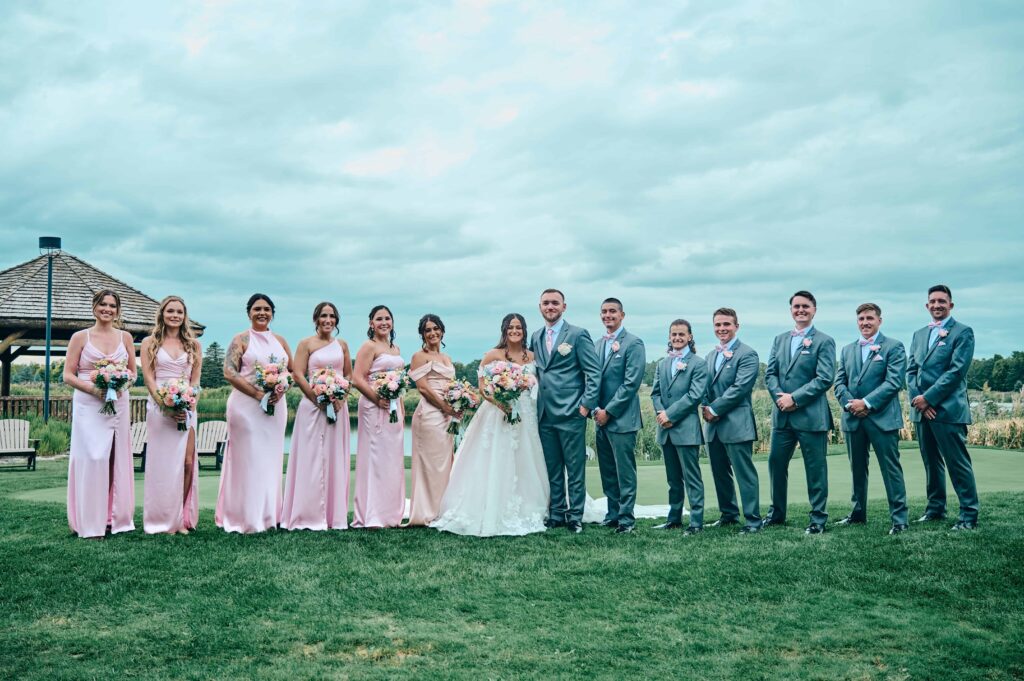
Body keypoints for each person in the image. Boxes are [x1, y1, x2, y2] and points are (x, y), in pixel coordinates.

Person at [431, 314, 549, 536]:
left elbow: (537, 386)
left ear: (524, 330)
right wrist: (501, 402)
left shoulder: (532, 356)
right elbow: (484, 388)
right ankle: (487, 506)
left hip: (525, 415)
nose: (515, 331)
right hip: (496, 414)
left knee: (526, 459)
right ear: (504, 330)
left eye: (519, 327)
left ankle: (530, 506)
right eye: (510, 327)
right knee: (494, 457)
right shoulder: (492, 355)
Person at [216, 293, 293, 534]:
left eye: (267, 309)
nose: (262, 313)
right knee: (248, 460)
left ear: (272, 313)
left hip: (275, 408)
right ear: (249, 312)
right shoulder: (240, 339)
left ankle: (270, 515)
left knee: (270, 459)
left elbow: (291, 370)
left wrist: (281, 387)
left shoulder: (280, 340)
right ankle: (245, 516)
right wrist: (258, 394)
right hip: (246, 408)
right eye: (257, 309)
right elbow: (229, 372)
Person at [64, 289, 137, 539]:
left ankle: (112, 517)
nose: (107, 309)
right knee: (93, 458)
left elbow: (133, 373)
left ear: (118, 310)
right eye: (103, 304)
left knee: (116, 459)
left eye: (112, 305)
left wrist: (118, 387)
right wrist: (95, 390)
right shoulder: (80, 337)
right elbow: (68, 375)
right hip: (88, 403)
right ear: (94, 307)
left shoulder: (125, 337)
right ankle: (88, 520)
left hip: (118, 403)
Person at [763, 291, 836, 534]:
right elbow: (770, 374)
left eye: (805, 306)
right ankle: (776, 514)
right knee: (775, 463)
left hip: (811, 416)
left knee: (815, 468)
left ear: (814, 310)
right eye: (796, 306)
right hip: (782, 416)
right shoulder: (779, 339)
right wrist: (781, 399)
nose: (800, 310)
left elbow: (825, 378)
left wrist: (795, 398)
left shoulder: (824, 341)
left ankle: (818, 518)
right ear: (791, 310)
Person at [529, 289, 601, 534]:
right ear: (540, 307)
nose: (550, 307)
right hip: (545, 414)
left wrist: (585, 406)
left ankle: (575, 515)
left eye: (554, 303)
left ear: (564, 306)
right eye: (546, 303)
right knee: (553, 467)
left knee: (574, 468)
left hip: (572, 412)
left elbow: (594, 372)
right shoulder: (536, 336)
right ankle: (557, 513)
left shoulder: (578, 335)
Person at [833, 303, 910, 534]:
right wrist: (850, 404)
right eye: (861, 319)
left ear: (879, 320)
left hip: (882, 418)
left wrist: (866, 403)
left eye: (869, 318)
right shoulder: (847, 350)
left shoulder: (894, 347)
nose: (865, 322)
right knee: (857, 468)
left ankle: (899, 519)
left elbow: (893, 382)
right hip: (853, 419)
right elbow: (839, 383)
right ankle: (857, 514)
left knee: (891, 468)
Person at [906, 285, 978, 530]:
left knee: (957, 463)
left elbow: (956, 371)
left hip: (947, 410)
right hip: (922, 411)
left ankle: (969, 514)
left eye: (942, 301)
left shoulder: (963, 332)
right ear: (927, 306)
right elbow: (911, 371)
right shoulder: (918, 334)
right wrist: (919, 401)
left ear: (951, 305)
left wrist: (930, 399)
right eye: (932, 302)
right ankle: (935, 509)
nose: (937, 305)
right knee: (931, 462)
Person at [281, 302, 352, 531]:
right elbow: (298, 374)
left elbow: (348, 374)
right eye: (324, 316)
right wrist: (316, 398)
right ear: (316, 319)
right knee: (310, 458)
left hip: (338, 407)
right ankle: (306, 513)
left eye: (332, 316)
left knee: (334, 457)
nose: (328, 320)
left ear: (336, 320)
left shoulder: (342, 345)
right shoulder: (305, 344)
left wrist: (341, 396)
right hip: (312, 407)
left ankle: (334, 516)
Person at [140, 295, 202, 535]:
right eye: (170, 311)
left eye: (179, 312)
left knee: (187, 463)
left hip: (187, 408)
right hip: (160, 408)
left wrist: (189, 402)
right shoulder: (149, 342)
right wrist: (165, 405)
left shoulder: (193, 345)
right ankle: (162, 519)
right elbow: (148, 378)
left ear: (184, 316)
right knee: (163, 465)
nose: (175, 315)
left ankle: (181, 517)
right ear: (162, 314)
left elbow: (195, 380)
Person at [702, 308, 762, 534]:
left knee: (744, 473)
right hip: (713, 426)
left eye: (726, 324)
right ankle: (728, 514)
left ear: (737, 326)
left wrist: (715, 408)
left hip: (737, 424)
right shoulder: (710, 356)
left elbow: (740, 388)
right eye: (717, 325)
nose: (722, 329)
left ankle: (754, 520)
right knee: (720, 472)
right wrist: (704, 407)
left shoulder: (747, 354)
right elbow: (704, 387)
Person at [593, 298, 646, 534]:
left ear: (622, 315)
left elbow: (631, 383)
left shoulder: (633, 343)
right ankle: (612, 513)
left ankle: (626, 518)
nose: (608, 315)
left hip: (622, 419)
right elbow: (592, 381)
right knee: (607, 471)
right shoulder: (596, 345)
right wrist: (595, 409)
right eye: (604, 312)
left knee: (625, 471)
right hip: (599, 418)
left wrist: (609, 411)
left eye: (612, 311)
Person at [651, 319, 708, 535]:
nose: (677, 338)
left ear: (690, 337)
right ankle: (674, 519)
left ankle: (696, 522)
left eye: (681, 334)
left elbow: (695, 395)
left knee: (692, 478)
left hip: (686, 429)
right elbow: (655, 393)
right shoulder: (662, 364)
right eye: (673, 334)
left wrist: (671, 414)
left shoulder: (698, 363)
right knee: (673, 479)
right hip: (664, 429)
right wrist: (661, 413)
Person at [351, 305, 406, 528]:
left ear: (392, 322)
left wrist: (399, 407)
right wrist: (377, 399)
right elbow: (357, 378)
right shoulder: (368, 346)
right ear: (371, 323)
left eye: (387, 318)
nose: (384, 322)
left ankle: (390, 512)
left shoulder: (395, 348)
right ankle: (371, 513)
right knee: (374, 459)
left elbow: (400, 380)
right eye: (379, 319)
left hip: (393, 408)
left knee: (391, 460)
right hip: (374, 407)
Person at [406, 314, 458, 526]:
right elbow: (423, 388)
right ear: (422, 335)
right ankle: (426, 511)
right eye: (428, 330)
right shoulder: (419, 356)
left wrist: (457, 405)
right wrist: (444, 407)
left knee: (445, 463)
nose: (432, 333)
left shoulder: (446, 358)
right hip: (429, 414)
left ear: (442, 331)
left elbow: (453, 387)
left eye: (436, 329)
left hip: (448, 415)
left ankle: (441, 508)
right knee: (430, 464)